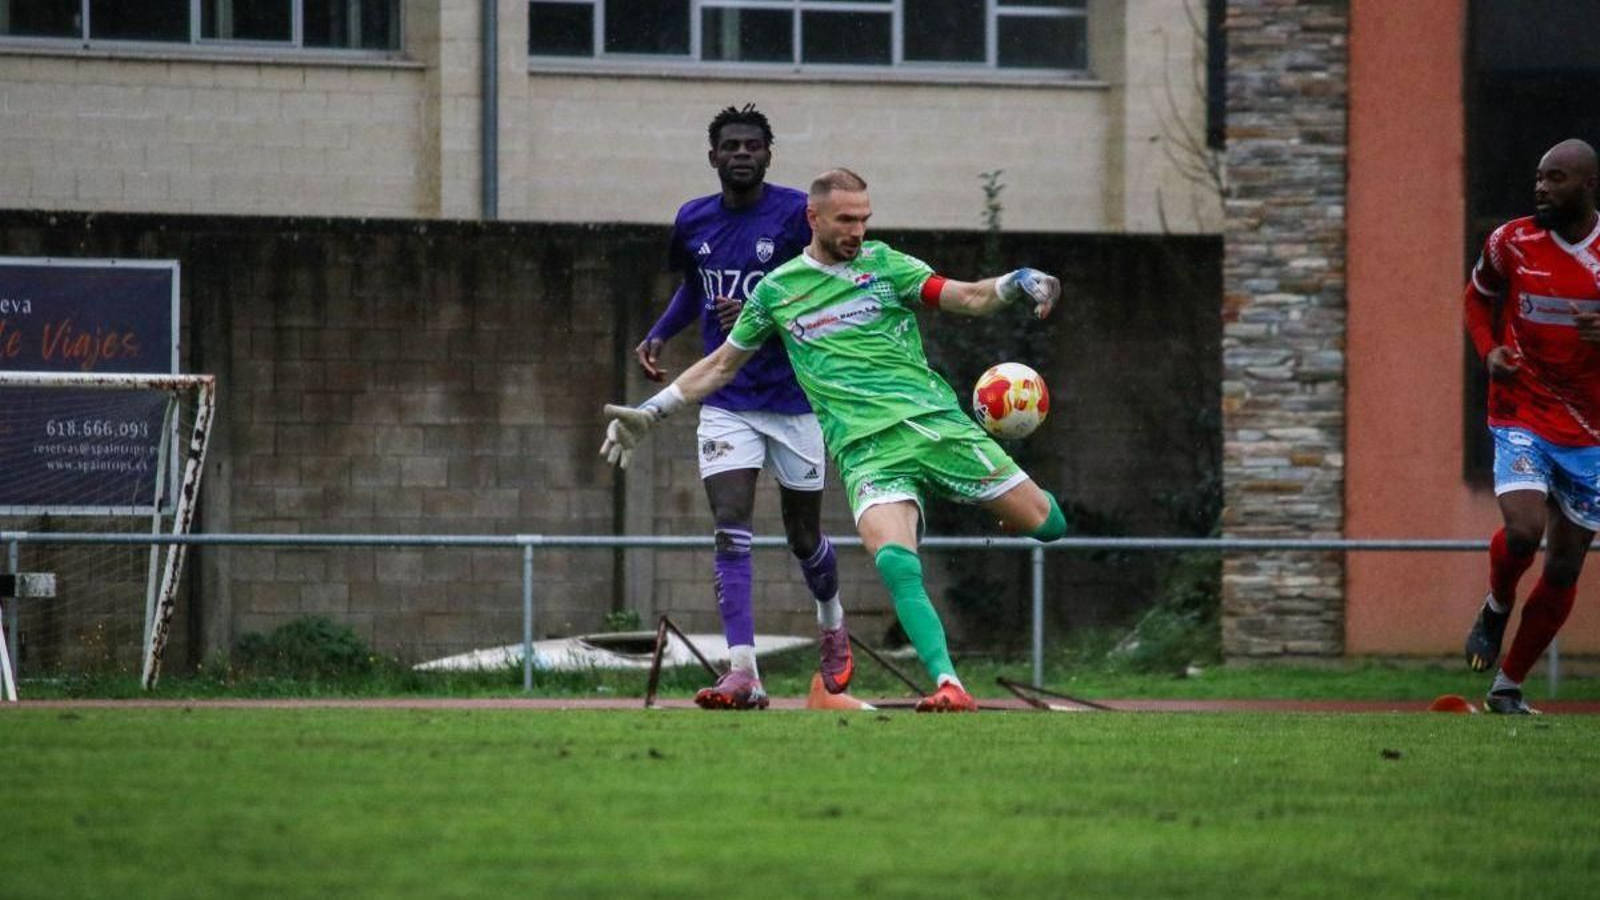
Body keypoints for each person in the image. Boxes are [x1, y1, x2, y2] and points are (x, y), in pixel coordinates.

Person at [602, 168, 1068, 713]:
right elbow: (722, 365)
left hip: (936, 427)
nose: (857, 231)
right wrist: (651, 413)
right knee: (895, 561)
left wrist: (1015, 281)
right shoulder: (777, 292)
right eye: (846, 220)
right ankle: (950, 685)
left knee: (1050, 526)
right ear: (814, 218)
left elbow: (965, 297)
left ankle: (986, 506)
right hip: (867, 454)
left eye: (864, 219)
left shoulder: (886, 266)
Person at [633, 104, 853, 711]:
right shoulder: (692, 220)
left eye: (752, 146)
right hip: (727, 400)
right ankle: (743, 672)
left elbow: (829, 289)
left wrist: (766, 319)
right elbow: (693, 286)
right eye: (730, 146)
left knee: (803, 535)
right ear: (713, 157)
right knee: (731, 529)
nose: (740, 154)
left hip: (794, 399)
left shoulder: (791, 216)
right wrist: (659, 332)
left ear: (767, 155)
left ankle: (832, 622)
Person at [1462, 137, 1600, 715]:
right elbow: (1475, 298)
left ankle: (1508, 687)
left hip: (1590, 432)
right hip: (1521, 409)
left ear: (1588, 185)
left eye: (1556, 178)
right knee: (1522, 532)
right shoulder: (1510, 241)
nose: (1542, 187)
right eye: (1539, 176)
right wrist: (1489, 348)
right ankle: (1496, 604)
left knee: (1564, 565)